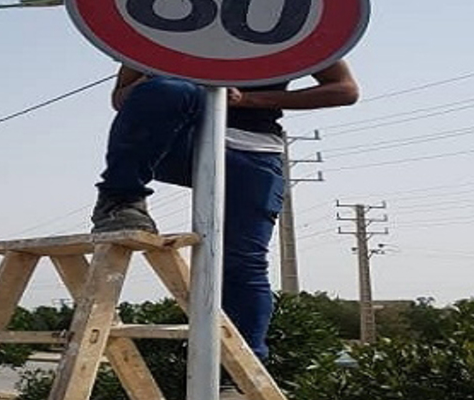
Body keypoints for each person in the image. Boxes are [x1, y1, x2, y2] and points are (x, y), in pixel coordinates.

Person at [91, 61, 359, 360]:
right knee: (168, 89)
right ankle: (120, 199)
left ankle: (241, 376)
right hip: (184, 138)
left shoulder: (293, 19)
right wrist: (167, 78)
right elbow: (121, 98)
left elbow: (345, 89)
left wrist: (249, 99)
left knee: (244, 263)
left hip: (253, 150)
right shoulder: (158, 22)